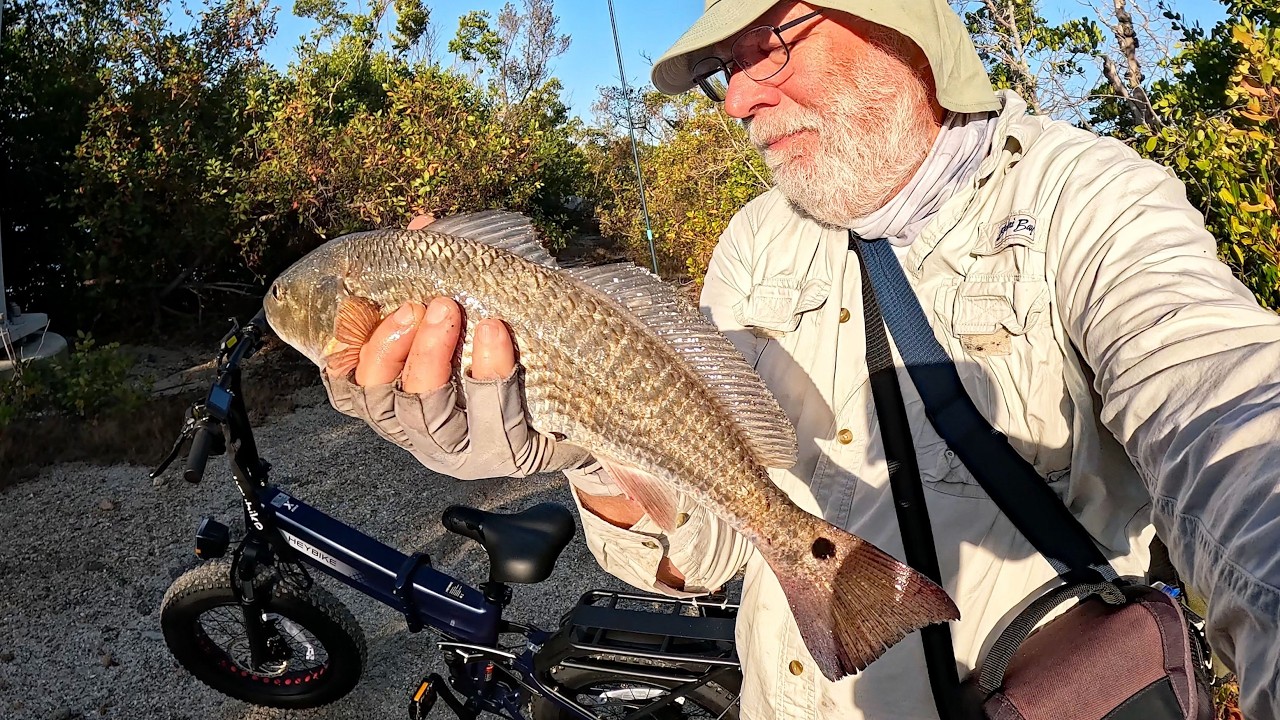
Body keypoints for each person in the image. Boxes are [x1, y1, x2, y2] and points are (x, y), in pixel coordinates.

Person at [318, 1, 1280, 717]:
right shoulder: (754, 242)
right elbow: (712, 549)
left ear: (900, 24)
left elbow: (1227, 415)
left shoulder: (1092, 200)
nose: (738, 99)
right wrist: (585, 450)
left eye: (771, 41)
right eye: (724, 69)